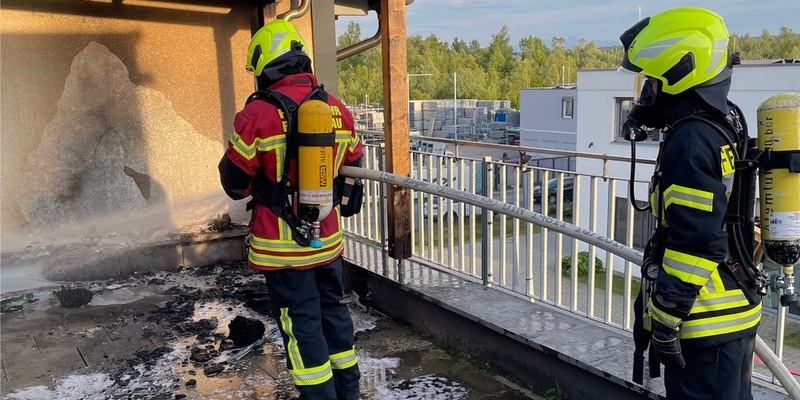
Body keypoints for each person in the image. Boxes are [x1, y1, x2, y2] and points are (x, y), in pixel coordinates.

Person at [620, 7, 763, 400]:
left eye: (652, 82)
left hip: (707, 323)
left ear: (682, 72)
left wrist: (665, 318)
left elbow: (696, 240)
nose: (645, 94)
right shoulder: (723, 119)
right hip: (735, 308)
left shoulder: (691, 139)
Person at [218, 19, 363, 400]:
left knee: (301, 326)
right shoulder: (336, 109)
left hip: (283, 248)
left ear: (266, 65)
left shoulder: (258, 114)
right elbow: (353, 162)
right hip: (327, 241)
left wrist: (265, 184)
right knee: (333, 311)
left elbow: (232, 182)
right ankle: (349, 392)